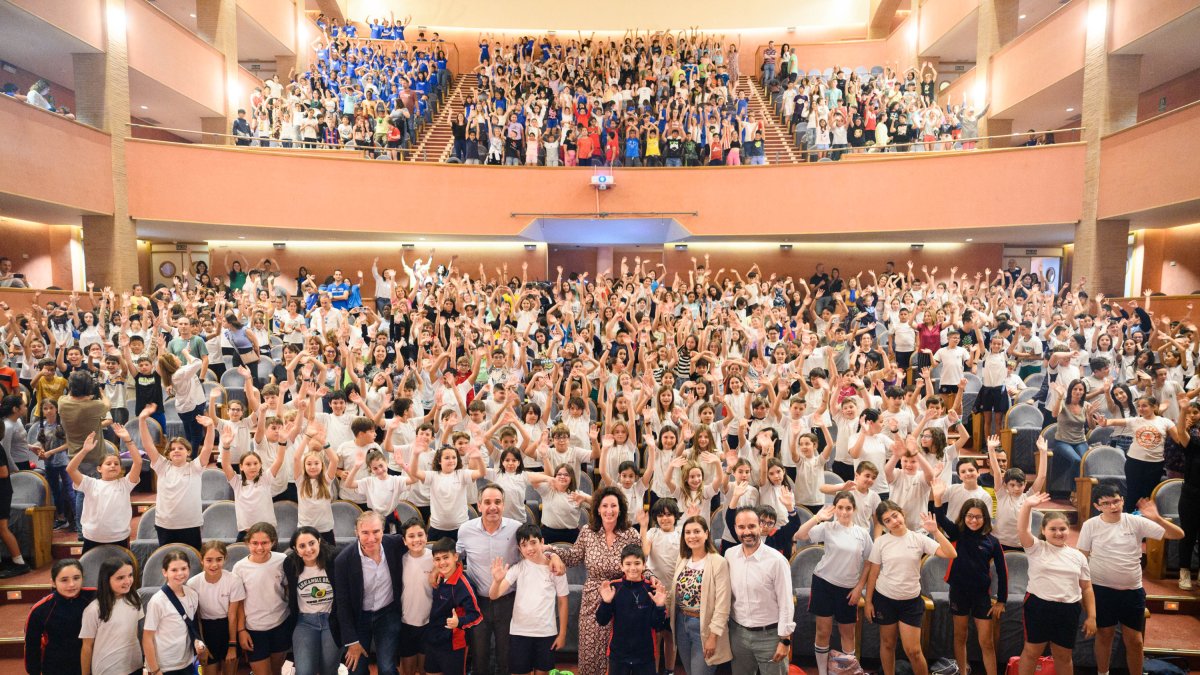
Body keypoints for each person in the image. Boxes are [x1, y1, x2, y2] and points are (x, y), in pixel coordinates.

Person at [1077, 482, 1183, 675]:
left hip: (1132, 591)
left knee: (1135, 640)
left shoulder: (1135, 521)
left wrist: (1157, 518)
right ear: (1097, 506)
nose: (1113, 506)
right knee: (1104, 635)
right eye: (1106, 503)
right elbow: (1082, 558)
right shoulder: (1090, 525)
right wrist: (1083, 591)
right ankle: (1103, 673)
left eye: (1116, 501)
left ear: (1123, 500)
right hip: (1101, 589)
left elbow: (1178, 534)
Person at [555, 487, 643, 675]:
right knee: (590, 652)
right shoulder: (587, 532)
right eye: (605, 506)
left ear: (620, 509)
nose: (609, 510)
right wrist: (551, 551)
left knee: (618, 653)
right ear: (597, 509)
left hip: (622, 598)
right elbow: (573, 557)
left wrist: (652, 580)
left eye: (613, 506)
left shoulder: (631, 534)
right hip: (592, 598)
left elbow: (640, 564)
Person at [865, 501, 957, 675]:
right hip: (884, 599)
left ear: (902, 513)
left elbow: (951, 553)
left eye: (895, 515)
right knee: (888, 644)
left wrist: (935, 531)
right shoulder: (881, 542)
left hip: (911, 602)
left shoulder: (918, 538)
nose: (894, 521)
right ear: (884, 525)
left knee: (913, 651)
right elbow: (873, 573)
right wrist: (868, 601)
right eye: (887, 520)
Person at [1017, 493, 1096, 675]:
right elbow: (1022, 530)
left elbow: (1086, 588)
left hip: (1068, 609)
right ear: (1043, 530)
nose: (1058, 533)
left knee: (1063, 656)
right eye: (1053, 529)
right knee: (1031, 652)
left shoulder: (1078, 556)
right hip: (1039, 606)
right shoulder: (1036, 548)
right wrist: (1027, 506)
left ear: (1069, 530)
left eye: (1062, 529)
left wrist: (1092, 616)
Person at [794, 494, 871, 675]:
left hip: (849, 590)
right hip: (824, 584)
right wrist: (817, 517)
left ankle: (846, 672)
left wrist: (859, 587)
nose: (844, 512)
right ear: (835, 509)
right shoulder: (827, 527)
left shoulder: (862, 533)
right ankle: (823, 672)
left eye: (848, 508)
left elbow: (869, 562)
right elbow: (799, 535)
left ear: (854, 510)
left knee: (848, 634)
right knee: (823, 631)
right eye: (840, 507)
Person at [932, 495, 1007, 675]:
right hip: (959, 593)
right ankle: (962, 671)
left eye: (978, 517)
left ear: (985, 518)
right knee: (960, 636)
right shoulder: (957, 533)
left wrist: (1001, 601)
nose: (974, 520)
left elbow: (1003, 571)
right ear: (964, 516)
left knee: (987, 642)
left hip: (981, 596)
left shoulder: (992, 542)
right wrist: (937, 498)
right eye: (970, 516)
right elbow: (940, 517)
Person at [489, 522, 570, 675]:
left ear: (542, 542)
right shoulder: (518, 568)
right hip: (519, 633)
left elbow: (563, 602)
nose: (530, 548)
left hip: (546, 633)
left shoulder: (556, 569)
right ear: (519, 549)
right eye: (524, 545)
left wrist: (562, 634)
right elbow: (494, 595)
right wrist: (497, 581)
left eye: (533, 542)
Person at [333, 510, 406, 675]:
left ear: (383, 531)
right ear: (356, 532)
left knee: (387, 667)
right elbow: (342, 604)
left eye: (376, 531)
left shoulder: (395, 544)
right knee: (356, 670)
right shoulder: (343, 560)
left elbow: (419, 545)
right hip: (358, 618)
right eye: (365, 532)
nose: (371, 538)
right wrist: (351, 641)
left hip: (388, 614)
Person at [724, 506, 795, 675]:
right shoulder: (729, 555)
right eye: (741, 527)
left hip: (770, 636)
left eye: (751, 526)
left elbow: (786, 603)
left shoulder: (777, 561)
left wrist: (785, 640)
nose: (747, 532)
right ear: (735, 528)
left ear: (760, 527)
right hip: (738, 635)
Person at [666, 515, 732, 675]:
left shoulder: (718, 562)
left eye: (697, 531)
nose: (692, 536)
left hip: (704, 627)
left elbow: (723, 604)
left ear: (706, 534)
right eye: (688, 532)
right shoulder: (683, 558)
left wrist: (713, 636)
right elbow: (676, 592)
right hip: (681, 623)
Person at [141, 405, 213, 549]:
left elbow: (207, 448)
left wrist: (210, 427)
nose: (176, 451)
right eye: (173, 449)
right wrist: (142, 421)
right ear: (168, 454)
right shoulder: (162, 466)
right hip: (165, 525)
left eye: (181, 448)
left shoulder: (195, 467)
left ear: (188, 452)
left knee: (192, 559)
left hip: (190, 524)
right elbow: (148, 445)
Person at [596, 543, 671, 675]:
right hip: (618, 654)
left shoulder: (652, 589)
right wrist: (606, 602)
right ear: (621, 566)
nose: (633, 568)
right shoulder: (614, 587)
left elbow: (658, 626)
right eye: (628, 564)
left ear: (644, 565)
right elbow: (601, 620)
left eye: (637, 563)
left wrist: (660, 606)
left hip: (645, 655)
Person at [67, 431, 142, 552]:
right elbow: (70, 469)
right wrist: (84, 450)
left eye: (116, 464)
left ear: (120, 468)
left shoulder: (125, 484)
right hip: (92, 537)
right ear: (99, 468)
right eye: (108, 463)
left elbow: (138, 462)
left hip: (119, 537)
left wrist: (128, 441)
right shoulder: (90, 484)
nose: (113, 466)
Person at [233, 522, 290, 675]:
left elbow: (288, 588)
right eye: (255, 543)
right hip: (254, 629)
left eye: (264, 543)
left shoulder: (282, 560)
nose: (259, 547)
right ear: (247, 543)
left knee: (276, 671)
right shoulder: (239, 567)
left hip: (280, 624)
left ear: (273, 542)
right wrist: (241, 630)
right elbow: (238, 603)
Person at [284, 526, 341, 675]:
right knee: (304, 671)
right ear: (296, 549)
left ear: (319, 542)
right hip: (305, 622)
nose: (308, 549)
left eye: (312, 543)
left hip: (331, 620)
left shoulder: (334, 559)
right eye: (302, 546)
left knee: (328, 670)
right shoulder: (290, 564)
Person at [24, 558, 94, 675]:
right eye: (64, 580)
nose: (71, 584)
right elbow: (32, 646)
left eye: (76, 578)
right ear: (53, 582)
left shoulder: (94, 597)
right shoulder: (40, 610)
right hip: (56, 666)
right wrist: (34, 671)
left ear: (83, 578)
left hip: (90, 664)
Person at [425, 538, 483, 675]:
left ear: (455, 557)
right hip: (433, 639)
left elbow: (477, 616)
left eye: (446, 557)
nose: (442, 562)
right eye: (438, 559)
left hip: (453, 645)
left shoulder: (464, 585)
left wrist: (459, 622)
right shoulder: (438, 577)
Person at [143, 550, 205, 675]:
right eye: (174, 570)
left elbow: (189, 626)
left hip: (187, 661)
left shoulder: (192, 594)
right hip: (165, 666)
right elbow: (147, 638)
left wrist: (197, 642)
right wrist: (155, 670)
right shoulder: (157, 601)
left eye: (184, 568)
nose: (180, 573)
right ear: (165, 572)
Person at [188, 542, 245, 675]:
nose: (214, 565)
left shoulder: (233, 580)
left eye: (219, 559)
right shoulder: (193, 583)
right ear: (201, 560)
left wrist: (232, 645)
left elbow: (233, 615)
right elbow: (196, 618)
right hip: (206, 630)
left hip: (228, 629)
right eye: (209, 560)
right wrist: (202, 644)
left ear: (225, 559)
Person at [79, 556, 143, 675]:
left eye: (130, 575)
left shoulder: (135, 598)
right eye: (120, 578)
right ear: (106, 580)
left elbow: (133, 632)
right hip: (108, 668)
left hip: (133, 664)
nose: (127, 581)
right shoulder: (94, 609)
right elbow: (87, 647)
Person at [399, 519, 433, 675]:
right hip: (406, 623)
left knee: (426, 669)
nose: (416, 539)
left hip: (429, 623)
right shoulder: (400, 560)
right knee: (408, 670)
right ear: (404, 540)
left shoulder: (435, 558)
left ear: (426, 536)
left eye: (420, 534)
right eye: (411, 536)